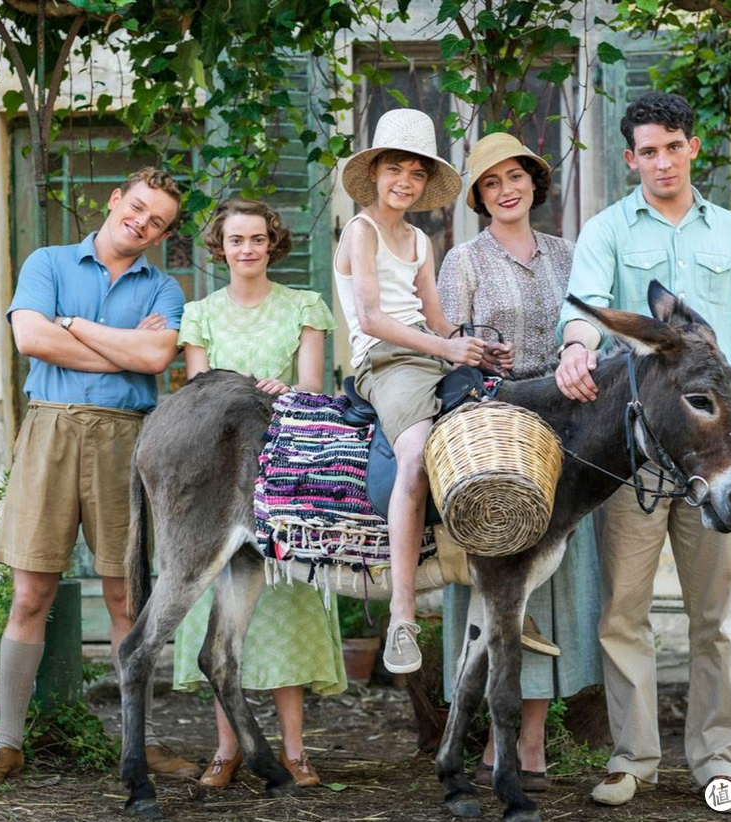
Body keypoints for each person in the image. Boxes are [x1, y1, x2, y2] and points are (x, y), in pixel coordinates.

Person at [555, 92, 731, 812]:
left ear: (692, 147)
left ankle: (720, 758)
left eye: (673, 146)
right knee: (623, 612)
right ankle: (632, 758)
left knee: (716, 615)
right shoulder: (608, 230)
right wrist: (576, 353)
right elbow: (580, 311)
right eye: (648, 150)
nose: (662, 161)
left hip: (713, 455)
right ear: (632, 158)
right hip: (638, 457)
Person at [0, 167, 201, 787]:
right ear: (117, 198)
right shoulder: (48, 262)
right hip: (50, 430)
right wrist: (116, 344)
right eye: (138, 208)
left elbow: (155, 358)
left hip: (129, 438)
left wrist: (71, 324)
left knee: (128, 598)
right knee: (31, 593)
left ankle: (139, 745)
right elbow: (29, 337)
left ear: (161, 234)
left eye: (158, 222)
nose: (142, 224)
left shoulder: (165, 288)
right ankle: (8, 743)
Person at [438, 132, 604, 792]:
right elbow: (446, 345)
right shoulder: (464, 260)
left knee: (555, 587)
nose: (507, 188)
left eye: (517, 176)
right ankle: (482, 736)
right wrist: (477, 349)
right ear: (479, 197)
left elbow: (591, 330)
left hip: (567, 430)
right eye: (491, 182)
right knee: (497, 586)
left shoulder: (570, 255)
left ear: (535, 182)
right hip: (495, 429)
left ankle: (532, 742)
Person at [172, 198, 346, 788]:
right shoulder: (200, 313)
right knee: (219, 605)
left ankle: (295, 750)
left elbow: (315, 387)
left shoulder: (304, 307)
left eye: (257, 239)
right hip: (220, 474)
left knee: (287, 603)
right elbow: (199, 392)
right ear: (219, 248)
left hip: (286, 470)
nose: (246, 249)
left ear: (272, 244)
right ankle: (228, 749)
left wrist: (287, 389)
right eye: (235, 240)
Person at [334, 108, 513, 675]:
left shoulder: (419, 239)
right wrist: (446, 351)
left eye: (416, 173)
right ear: (375, 173)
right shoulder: (359, 231)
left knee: (503, 431)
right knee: (413, 455)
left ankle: (502, 589)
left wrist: (475, 348)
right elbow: (371, 318)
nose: (404, 182)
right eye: (395, 170)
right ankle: (403, 614)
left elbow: (436, 319)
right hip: (386, 360)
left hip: (427, 352)